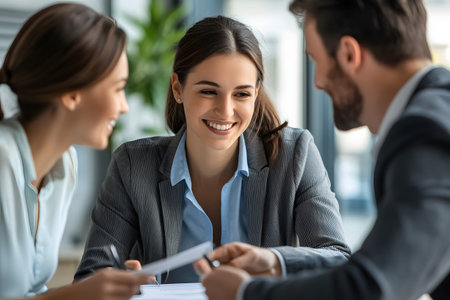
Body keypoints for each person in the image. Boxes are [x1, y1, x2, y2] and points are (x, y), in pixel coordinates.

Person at [194, 0, 450, 299]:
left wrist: (246, 293)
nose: (318, 83)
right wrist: (279, 264)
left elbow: (372, 287)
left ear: (348, 54)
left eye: (316, 60)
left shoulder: (425, 134)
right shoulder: (437, 115)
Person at [74, 15, 350, 284]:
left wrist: (276, 261)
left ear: (256, 93)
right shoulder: (133, 165)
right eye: (208, 91)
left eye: (241, 94)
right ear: (177, 87)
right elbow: (91, 278)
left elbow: (338, 258)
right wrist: (121, 284)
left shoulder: (295, 156)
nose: (225, 110)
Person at [0, 3, 153, 299]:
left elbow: (27, 293)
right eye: (118, 88)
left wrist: (98, 289)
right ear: (71, 93)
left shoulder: (64, 164)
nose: (124, 106)